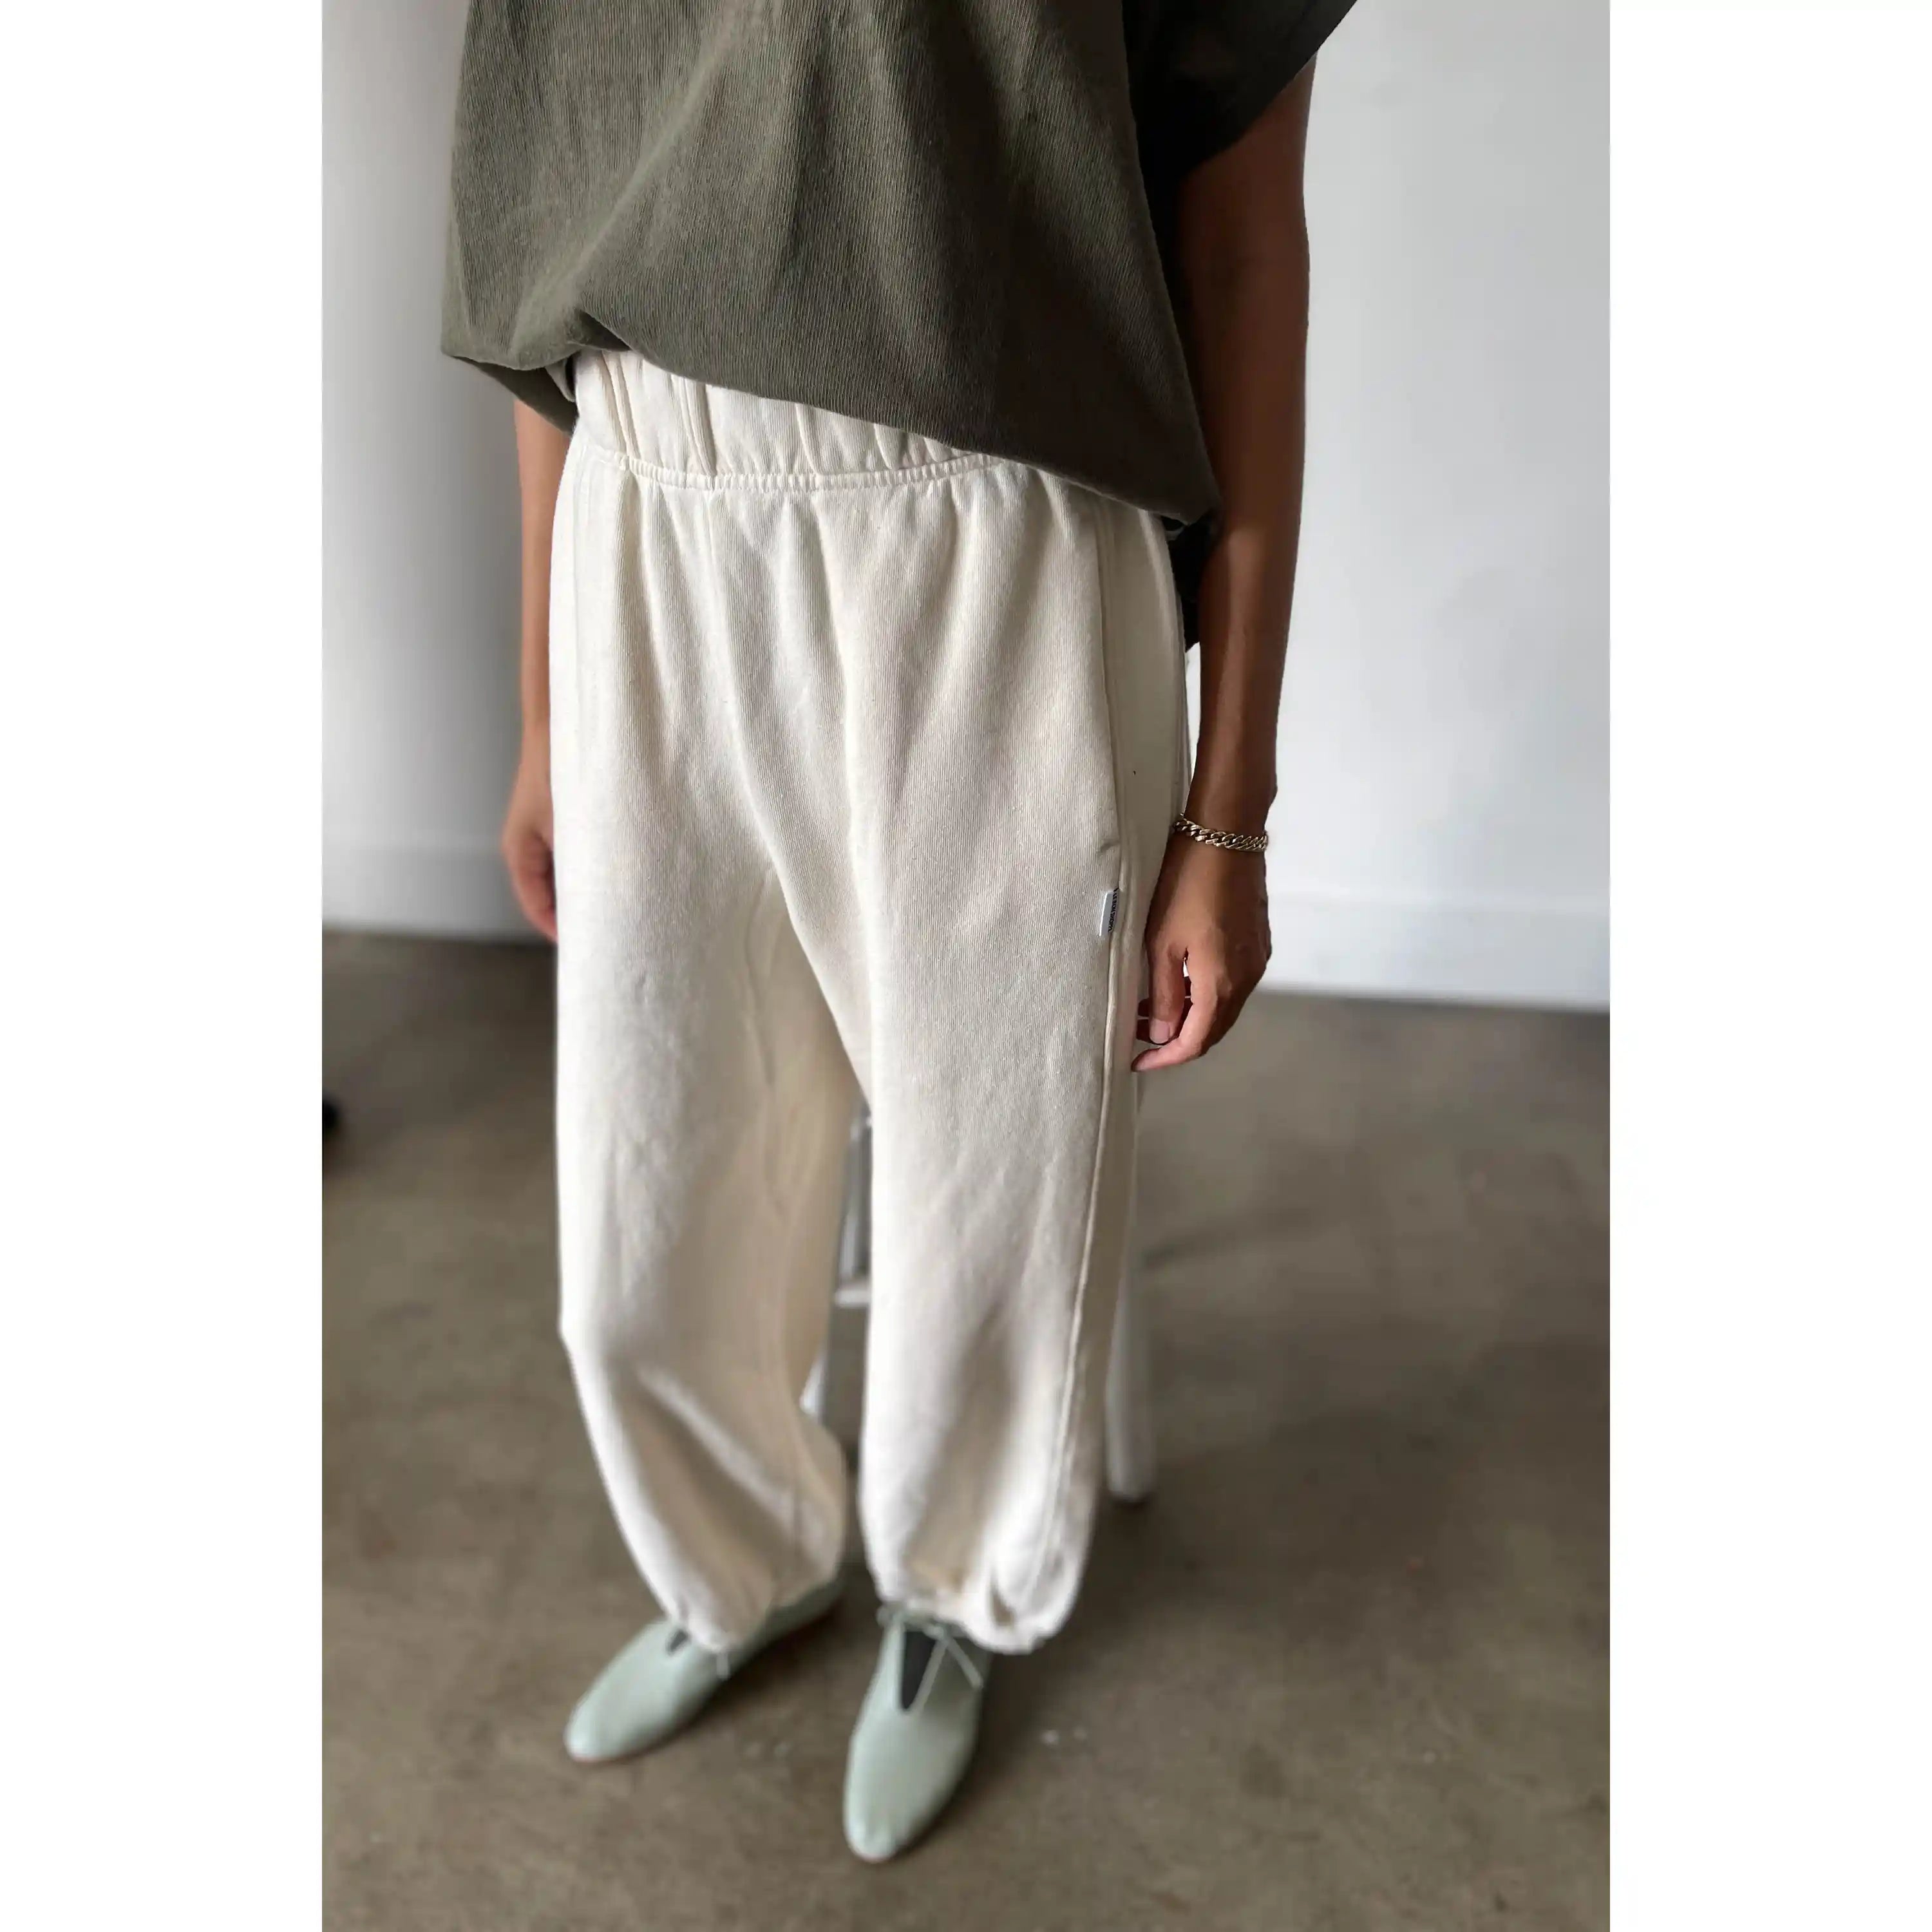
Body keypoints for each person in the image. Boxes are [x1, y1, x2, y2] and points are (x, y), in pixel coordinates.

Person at [442, 0, 1357, 1863]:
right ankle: (740, 1562)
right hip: (644, 526)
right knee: (647, 1195)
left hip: (993, 532)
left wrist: (1229, 805)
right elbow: (538, 263)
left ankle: (953, 1595)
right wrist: (544, 706)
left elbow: (1244, 244)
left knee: (995, 1177)